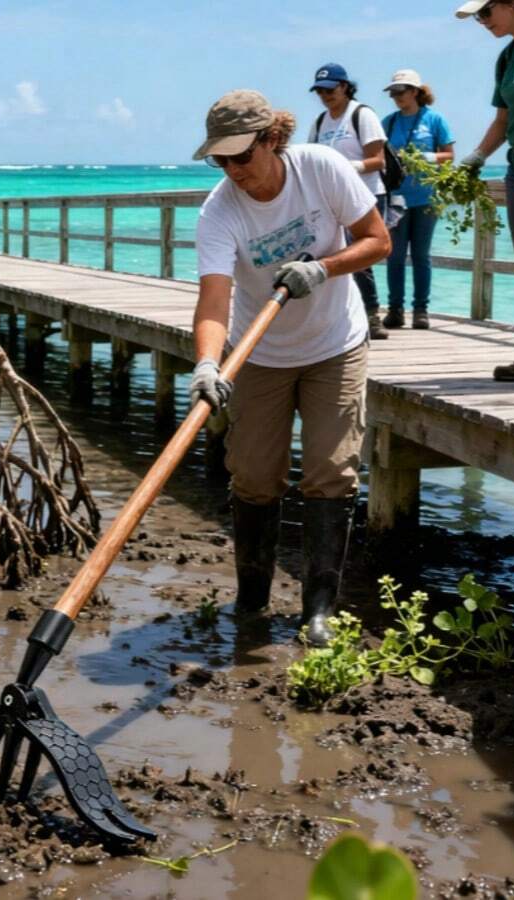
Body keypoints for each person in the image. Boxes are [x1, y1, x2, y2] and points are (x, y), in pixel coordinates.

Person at [189, 89, 390, 646]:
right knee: (254, 476)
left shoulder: (321, 169)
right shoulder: (219, 212)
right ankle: (252, 602)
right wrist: (207, 363)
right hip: (260, 354)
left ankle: (317, 612)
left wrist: (323, 268)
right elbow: (214, 301)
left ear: (273, 139)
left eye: (241, 156)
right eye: (220, 160)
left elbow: (378, 241)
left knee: (330, 471)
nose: (233, 171)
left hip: (335, 343)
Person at [456, 0, 514, 381]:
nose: (481, 22)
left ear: (509, 2)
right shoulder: (507, 59)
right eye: (476, 17)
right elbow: (503, 120)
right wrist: (477, 155)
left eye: (485, 12)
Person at [307, 63, 390, 340]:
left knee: (360, 256)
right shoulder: (320, 122)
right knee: (331, 252)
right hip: (331, 199)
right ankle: (337, 315)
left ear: (344, 87)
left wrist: (349, 167)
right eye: (320, 91)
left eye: (330, 90)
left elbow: (378, 160)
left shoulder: (361, 114)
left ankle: (371, 315)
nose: (325, 96)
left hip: (364, 196)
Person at [381, 70, 455, 330]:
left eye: (400, 91)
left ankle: (421, 310)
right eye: (392, 92)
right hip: (397, 198)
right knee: (395, 256)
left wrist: (426, 158)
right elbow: (379, 156)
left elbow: (449, 155)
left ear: (415, 91)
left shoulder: (435, 120)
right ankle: (395, 310)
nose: (396, 97)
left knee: (421, 256)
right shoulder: (388, 123)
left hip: (427, 198)